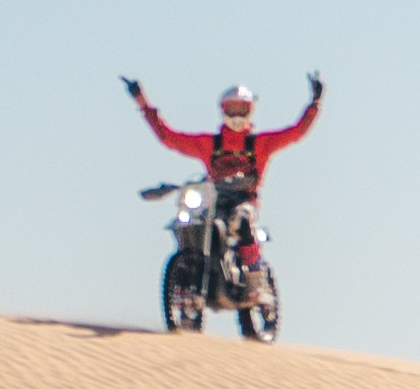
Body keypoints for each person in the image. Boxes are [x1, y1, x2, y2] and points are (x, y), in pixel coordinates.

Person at [129, 74, 324, 274]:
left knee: (242, 221)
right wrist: (143, 103)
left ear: (251, 111)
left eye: (242, 110)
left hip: (245, 199)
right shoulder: (210, 144)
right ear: (223, 110)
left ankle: (253, 271)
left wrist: (314, 104)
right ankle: (190, 272)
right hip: (214, 200)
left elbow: (296, 133)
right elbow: (169, 138)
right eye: (232, 109)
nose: (237, 116)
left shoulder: (260, 144)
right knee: (191, 222)